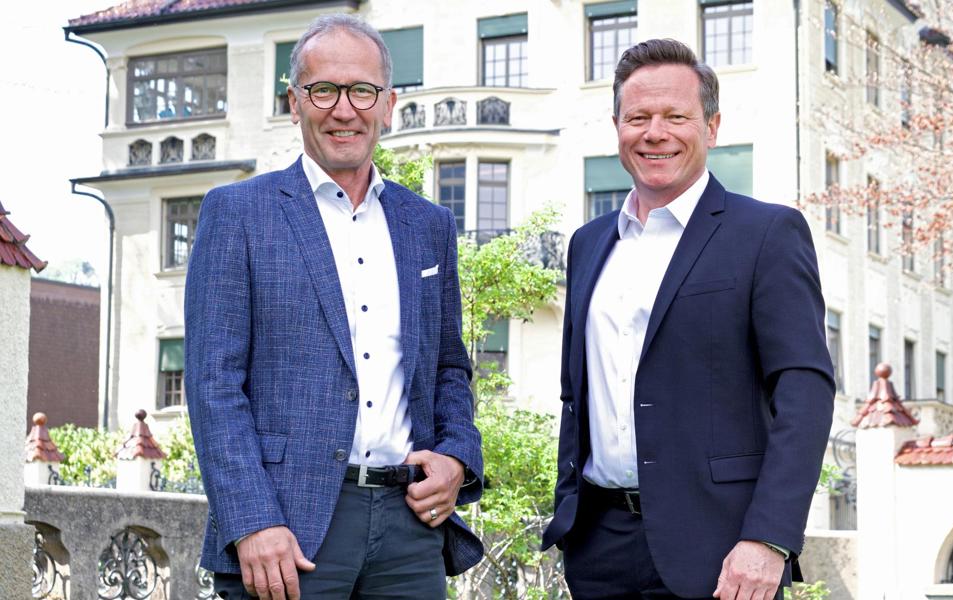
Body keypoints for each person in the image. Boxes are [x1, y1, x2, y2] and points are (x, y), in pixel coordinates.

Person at [185, 14, 482, 600]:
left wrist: (456, 459)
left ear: (388, 103)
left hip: (411, 527)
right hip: (286, 532)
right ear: (295, 102)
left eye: (362, 91)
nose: (343, 110)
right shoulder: (238, 213)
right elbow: (213, 385)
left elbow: (451, 367)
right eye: (323, 90)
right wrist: (252, 520)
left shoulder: (428, 225)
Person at [541, 39, 834, 600]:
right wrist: (569, 515)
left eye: (677, 116)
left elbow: (805, 392)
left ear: (713, 127)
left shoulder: (768, 234)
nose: (656, 133)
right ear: (617, 127)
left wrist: (769, 539)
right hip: (598, 547)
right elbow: (577, 396)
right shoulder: (587, 244)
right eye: (639, 118)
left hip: (724, 553)